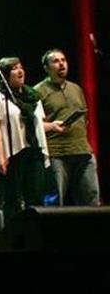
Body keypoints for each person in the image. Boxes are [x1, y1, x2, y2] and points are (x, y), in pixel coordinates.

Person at [0, 57, 50, 228]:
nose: (20, 71)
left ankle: (35, 233)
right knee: (13, 198)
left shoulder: (33, 96)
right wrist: (0, 157)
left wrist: (54, 127)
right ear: (5, 75)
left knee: (36, 196)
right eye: (14, 68)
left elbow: (39, 124)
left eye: (21, 67)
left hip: (34, 149)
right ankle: (13, 236)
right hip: (14, 151)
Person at [34, 49, 100, 206]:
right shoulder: (38, 91)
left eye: (63, 60)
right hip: (57, 152)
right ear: (46, 67)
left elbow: (85, 119)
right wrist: (52, 126)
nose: (61, 63)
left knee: (91, 196)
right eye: (56, 61)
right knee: (56, 200)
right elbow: (34, 125)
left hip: (82, 150)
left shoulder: (76, 88)